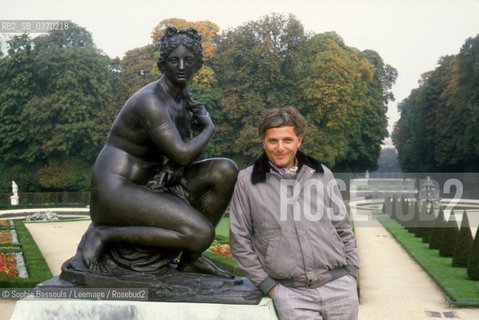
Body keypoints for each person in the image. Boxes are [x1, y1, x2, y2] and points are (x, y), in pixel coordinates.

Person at [79, 26, 237, 278]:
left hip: (147, 185)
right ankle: (104, 234)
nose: (182, 66)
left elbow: (179, 158)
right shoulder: (150, 101)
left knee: (225, 169)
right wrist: (208, 128)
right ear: (163, 63)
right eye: (174, 60)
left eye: (189, 60)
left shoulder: (181, 100)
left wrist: (175, 167)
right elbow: (184, 153)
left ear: (198, 64)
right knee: (200, 234)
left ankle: (191, 260)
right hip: (116, 191)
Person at [229, 107, 359, 319]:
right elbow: (239, 241)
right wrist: (270, 287)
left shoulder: (323, 174)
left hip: (339, 289)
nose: (280, 147)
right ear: (264, 141)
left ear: (299, 140)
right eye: (273, 141)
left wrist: (351, 272)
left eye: (287, 140)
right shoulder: (246, 181)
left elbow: (343, 226)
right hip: (291, 295)